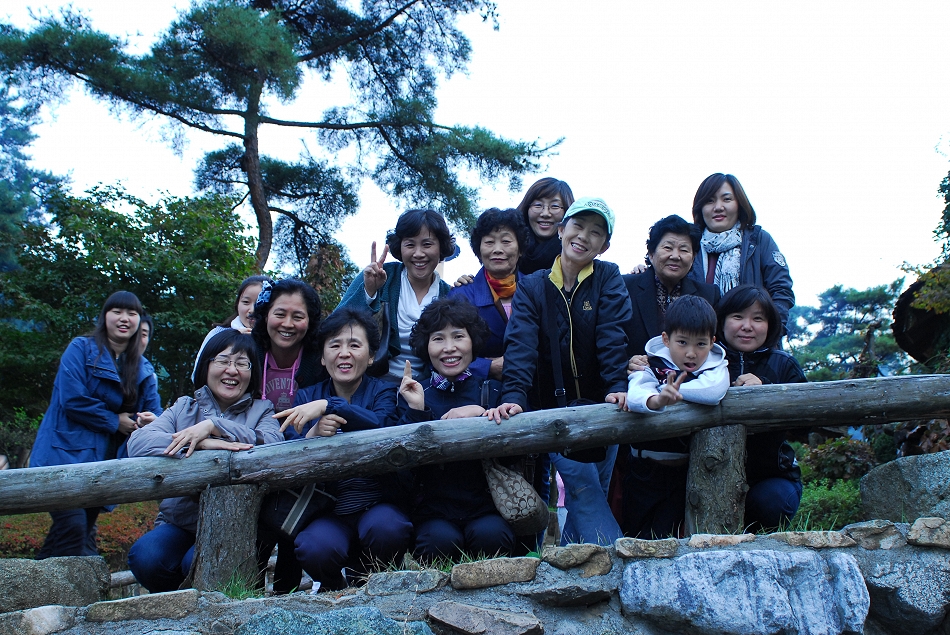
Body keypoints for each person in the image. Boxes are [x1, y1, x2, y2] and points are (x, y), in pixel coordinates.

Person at [487, 197, 632, 546]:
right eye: (578, 226)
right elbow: (520, 345)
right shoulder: (534, 286)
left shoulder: (608, 277)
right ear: (561, 230)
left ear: (604, 245)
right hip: (554, 409)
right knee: (584, 488)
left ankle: (571, 565)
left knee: (592, 490)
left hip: (603, 406)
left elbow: (612, 335)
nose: (583, 236)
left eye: (595, 232)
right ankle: (619, 563)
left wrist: (616, 385)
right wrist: (514, 396)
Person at [127, 330, 281, 592]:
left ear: (252, 372)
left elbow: (273, 444)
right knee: (147, 557)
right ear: (206, 365)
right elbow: (138, 442)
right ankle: (179, 605)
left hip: (234, 527)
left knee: (198, 564)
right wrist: (199, 443)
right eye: (223, 360)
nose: (232, 370)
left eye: (242, 363)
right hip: (180, 522)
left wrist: (214, 426)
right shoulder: (184, 407)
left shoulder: (262, 410)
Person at [275, 308, 411, 591]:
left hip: (377, 504)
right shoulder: (306, 396)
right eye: (335, 345)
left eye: (355, 345)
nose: (344, 353)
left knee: (389, 529)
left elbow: (384, 427)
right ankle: (334, 586)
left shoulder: (384, 391)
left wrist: (331, 405)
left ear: (371, 356)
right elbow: (287, 451)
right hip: (327, 510)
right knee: (314, 547)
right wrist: (312, 435)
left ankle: (371, 581)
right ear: (322, 357)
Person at [30, 291, 162, 558]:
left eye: (132, 313)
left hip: (103, 462)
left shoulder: (143, 368)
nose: (124, 318)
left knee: (75, 532)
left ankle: (34, 581)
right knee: (73, 527)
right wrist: (114, 421)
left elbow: (155, 413)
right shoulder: (80, 348)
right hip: (63, 455)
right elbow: (72, 399)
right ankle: (66, 584)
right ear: (104, 316)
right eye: (117, 311)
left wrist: (150, 420)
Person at [393, 296, 514, 560]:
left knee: (493, 536)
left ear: (473, 341)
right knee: (439, 542)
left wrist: (481, 415)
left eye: (458, 336)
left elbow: (514, 457)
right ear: (426, 345)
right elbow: (400, 468)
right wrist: (417, 411)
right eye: (438, 339)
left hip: (486, 508)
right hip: (432, 512)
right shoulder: (413, 393)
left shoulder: (494, 391)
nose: (449, 348)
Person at [623, 295, 730, 538]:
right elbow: (637, 393)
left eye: (701, 344)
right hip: (643, 470)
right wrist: (658, 400)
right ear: (666, 339)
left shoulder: (714, 366)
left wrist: (669, 391)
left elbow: (713, 392)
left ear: (712, 342)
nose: (691, 353)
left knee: (669, 534)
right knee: (635, 533)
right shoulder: (651, 364)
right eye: (682, 342)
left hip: (685, 471)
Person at [250, 278, 325, 592]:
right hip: (253, 455)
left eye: (298, 316)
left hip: (302, 458)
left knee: (292, 534)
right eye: (280, 314)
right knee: (255, 536)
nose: (288, 324)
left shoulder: (318, 359)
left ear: (310, 320)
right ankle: (246, 599)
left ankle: (287, 599)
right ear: (265, 314)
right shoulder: (248, 352)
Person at [717, 284, 805, 529]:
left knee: (772, 503)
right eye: (738, 317)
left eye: (758, 318)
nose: (747, 326)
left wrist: (766, 389)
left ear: (770, 324)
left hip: (772, 476)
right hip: (711, 471)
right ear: (721, 321)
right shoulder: (705, 361)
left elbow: (805, 427)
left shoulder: (784, 364)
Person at [337, 209, 453, 381]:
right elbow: (335, 325)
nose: (418, 253)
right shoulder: (380, 275)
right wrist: (369, 292)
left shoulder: (449, 294)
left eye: (427, 244)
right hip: (372, 383)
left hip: (427, 387)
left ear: (441, 247)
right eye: (410, 245)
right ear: (399, 246)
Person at [688, 173, 794, 334]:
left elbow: (781, 290)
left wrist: (770, 335)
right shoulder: (691, 244)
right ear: (700, 207)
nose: (718, 207)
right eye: (709, 201)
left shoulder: (758, 240)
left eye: (727, 199)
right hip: (701, 342)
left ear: (739, 203)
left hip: (752, 340)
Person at [623, 215, 720, 360]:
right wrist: (626, 363)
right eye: (668, 248)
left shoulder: (709, 295)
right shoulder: (625, 288)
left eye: (684, 250)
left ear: (693, 257)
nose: (675, 256)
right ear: (651, 253)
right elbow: (611, 339)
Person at [448, 207, 529, 380]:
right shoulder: (461, 296)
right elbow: (442, 352)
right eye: (489, 242)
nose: (497, 249)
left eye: (506, 241)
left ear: (520, 249)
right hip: (480, 390)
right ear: (479, 250)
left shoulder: (537, 289)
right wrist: (487, 367)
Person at [192, 275, 272, 382]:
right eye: (246, 302)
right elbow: (197, 375)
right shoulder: (217, 334)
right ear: (237, 303)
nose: (252, 310)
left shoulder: (277, 339)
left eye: (260, 303)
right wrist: (231, 339)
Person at [516, 177, 575, 275]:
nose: (545, 213)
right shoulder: (509, 251)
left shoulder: (576, 256)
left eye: (555, 206)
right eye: (538, 205)